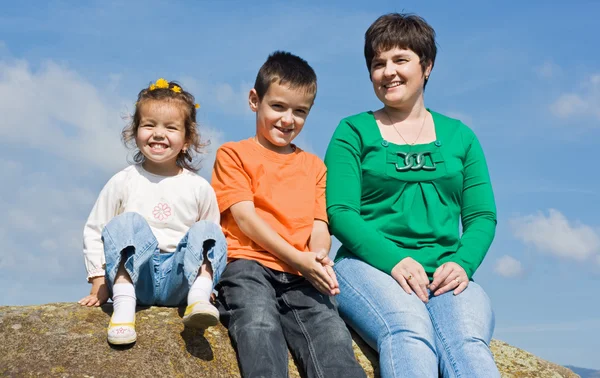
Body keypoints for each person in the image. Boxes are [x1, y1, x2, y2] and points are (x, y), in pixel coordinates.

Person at [325, 13, 500, 378]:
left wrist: (463, 263)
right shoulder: (352, 132)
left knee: (466, 343)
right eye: (378, 63)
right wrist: (394, 260)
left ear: (427, 66)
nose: (388, 72)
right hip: (368, 267)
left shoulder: (461, 137)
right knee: (409, 333)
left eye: (400, 59)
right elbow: (340, 211)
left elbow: (482, 216)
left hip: (446, 271)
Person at [211, 51, 366, 378]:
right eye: (278, 107)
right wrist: (298, 258)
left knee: (331, 332)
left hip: (302, 273)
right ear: (255, 100)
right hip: (248, 264)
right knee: (258, 323)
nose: (287, 119)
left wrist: (318, 256)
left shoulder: (314, 167)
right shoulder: (233, 154)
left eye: (300, 112)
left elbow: (319, 225)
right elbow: (245, 220)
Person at [78, 78, 227, 346]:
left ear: (186, 139)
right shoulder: (123, 181)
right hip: (136, 278)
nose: (158, 134)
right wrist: (99, 280)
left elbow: (210, 243)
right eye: (149, 125)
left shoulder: (198, 187)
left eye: (170, 127)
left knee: (209, 231)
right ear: (135, 132)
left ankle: (199, 299)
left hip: (179, 280)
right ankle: (123, 310)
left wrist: (206, 281)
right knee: (127, 223)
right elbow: (96, 229)